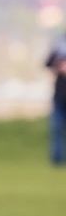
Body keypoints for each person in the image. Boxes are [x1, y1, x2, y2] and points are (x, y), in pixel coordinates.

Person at [47, 33, 66, 166]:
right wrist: (59, 65)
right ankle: (56, 160)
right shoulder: (59, 47)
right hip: (59, 97)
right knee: (56, 129)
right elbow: (47, 63)